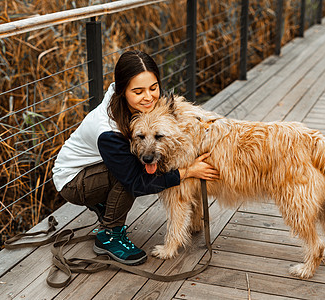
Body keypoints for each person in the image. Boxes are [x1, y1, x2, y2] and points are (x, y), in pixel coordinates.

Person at [52, 50, 218, 266]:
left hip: (96, 166)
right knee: (129, 176)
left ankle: (106, 205)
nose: (148, 97)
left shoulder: (138, 105)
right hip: (73, 182)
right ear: (122, 90)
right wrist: (187, 172)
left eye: (153, 87)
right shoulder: (108, 130)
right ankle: (110, 235)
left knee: (129, 168)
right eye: (138, 91)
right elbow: (137, 183)